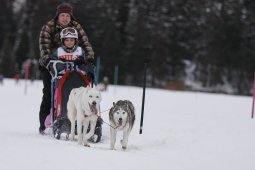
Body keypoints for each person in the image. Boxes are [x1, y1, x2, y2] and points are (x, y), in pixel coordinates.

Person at [38, 2, 94, 134]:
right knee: (49, 94)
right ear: (58, 16)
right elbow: (44, 49)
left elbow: (86, 43)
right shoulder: (48, 27)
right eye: (62, 15)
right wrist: (52, 61)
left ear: (71, 17)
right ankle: (44, 125)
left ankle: (81, 119)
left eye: (67, 16)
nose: (65, 18)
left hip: (74, 64)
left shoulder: (76, 27)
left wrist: (89, 60)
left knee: (80, 92)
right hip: (51, 65)